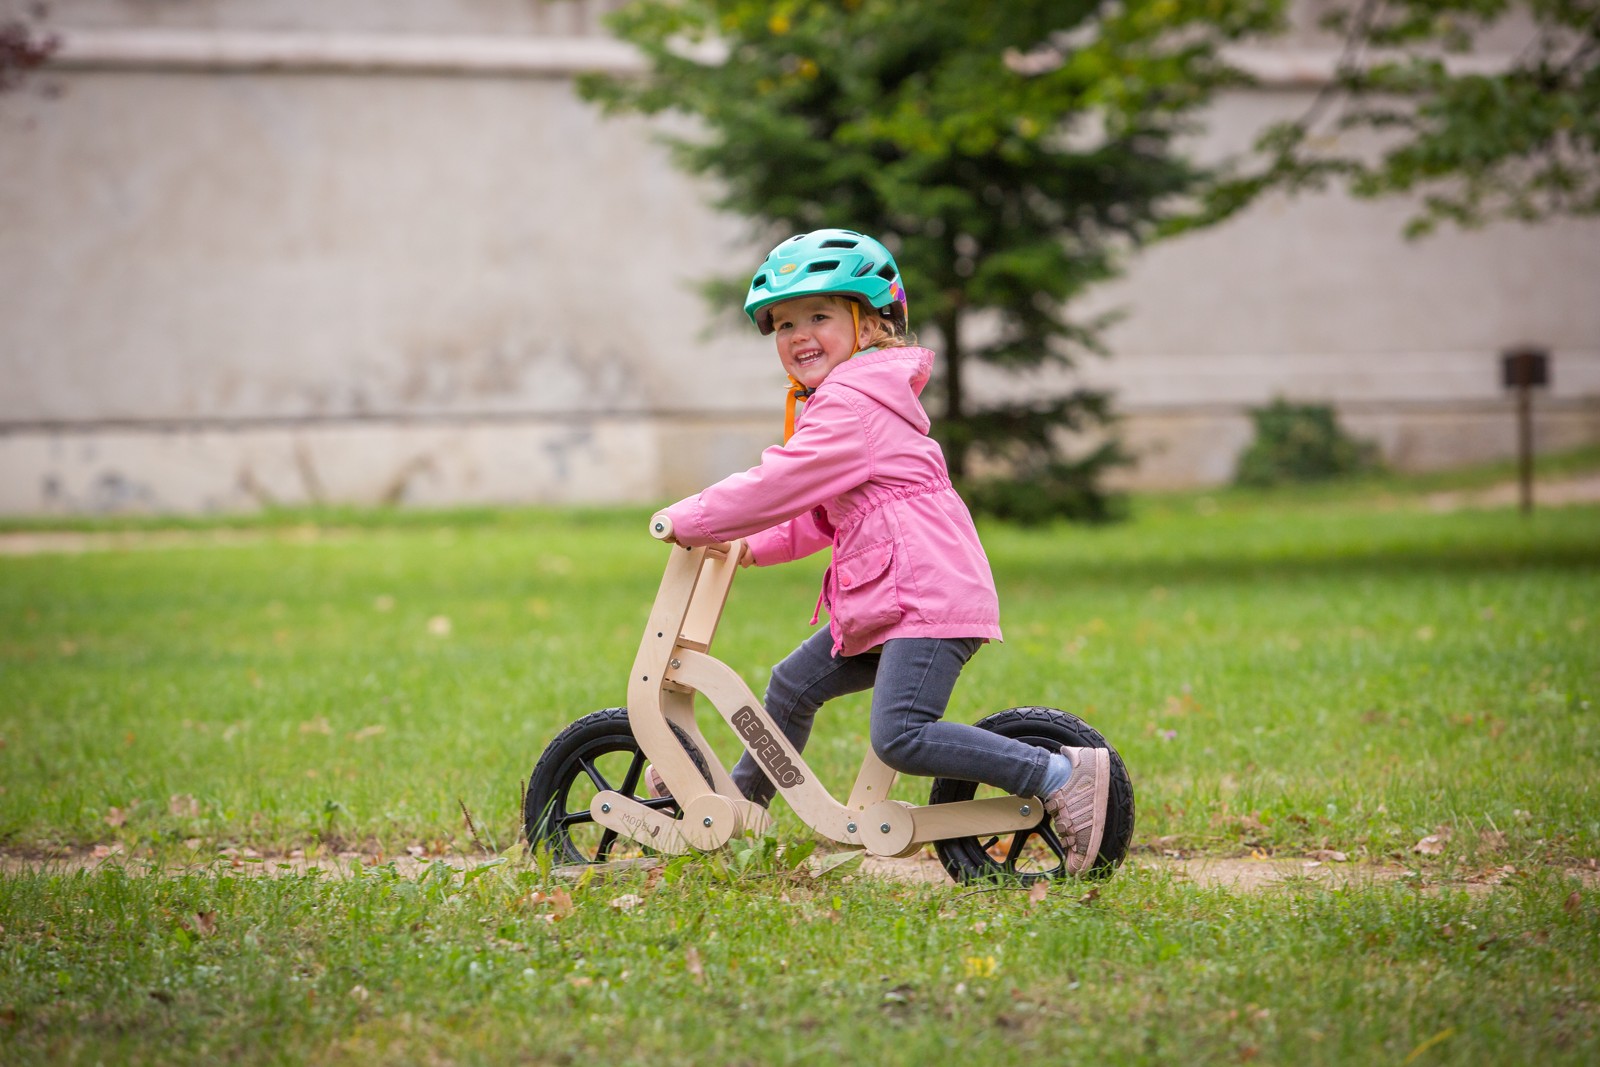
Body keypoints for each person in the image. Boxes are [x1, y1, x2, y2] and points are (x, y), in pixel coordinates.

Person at [655, 228, 1109, 874]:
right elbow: (817, 515)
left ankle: (1058, 775)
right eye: (784, 323)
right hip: (892, 597)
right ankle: (740, 809)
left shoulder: (851, 405)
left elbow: (780, 481)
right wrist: (747, 545)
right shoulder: (843, 403)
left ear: (867, 324)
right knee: (791, 683)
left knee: (901, 732)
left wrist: (692, 516)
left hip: (924, 596)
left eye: (820, 316)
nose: (799, 334)